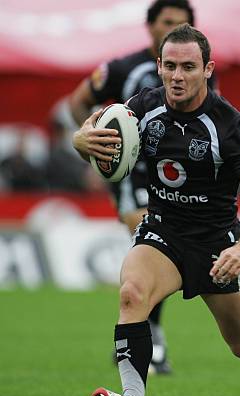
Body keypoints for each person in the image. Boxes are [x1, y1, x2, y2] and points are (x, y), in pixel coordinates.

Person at [73, 24, 240, 396]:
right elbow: (95, 127)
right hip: (162, 232)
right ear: (159, 67)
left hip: (218, 244)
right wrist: (81, 140)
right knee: (132, 294)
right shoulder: (142, 107)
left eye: (188, 67)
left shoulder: (230, 124)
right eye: (170, 66)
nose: (177, 76)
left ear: (208, 69)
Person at [68, 0, 214, 374]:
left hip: (177, 173)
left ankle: (146, 326)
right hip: (132, 171)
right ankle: (150, 330)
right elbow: (79, 102)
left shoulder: (199, 71)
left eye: (180, 24)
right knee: (148, 231)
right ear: (149, 26)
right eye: (167, 22)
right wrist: (94, 145)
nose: (172, 29)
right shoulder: (121, 69)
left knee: (156, 239)